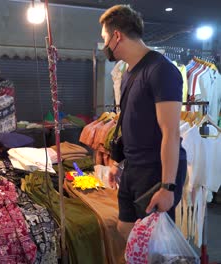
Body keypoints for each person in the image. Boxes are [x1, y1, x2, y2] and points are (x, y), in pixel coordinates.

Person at [99, 5, 187, 240]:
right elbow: (130, 119)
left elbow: (170, 133)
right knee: (125, 230)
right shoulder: (129, 71)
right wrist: (118, 162)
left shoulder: (161, 70)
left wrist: (167, 187)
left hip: (154, 173)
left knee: (154, 243)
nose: (104, 44)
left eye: (105, 38)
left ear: (117, 35)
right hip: (133, 169)